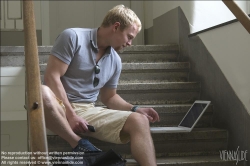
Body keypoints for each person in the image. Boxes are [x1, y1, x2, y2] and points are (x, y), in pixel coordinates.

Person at [42, 4, 160, 166]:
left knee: (140, 120)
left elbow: (109, 97)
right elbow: (51, 77)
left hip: (88, 110)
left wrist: (135, 109)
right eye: (129, 36)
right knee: (41, 92)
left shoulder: (116, 60)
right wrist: (71, 115)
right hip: (58, 105)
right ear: (116, 27)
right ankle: (78, 143)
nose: (130, 43)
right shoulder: (72, 37)